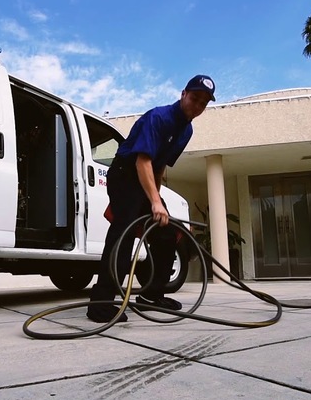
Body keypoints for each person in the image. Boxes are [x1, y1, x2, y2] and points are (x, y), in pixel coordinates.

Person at [86, 74, 215, 323]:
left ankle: (151, 296)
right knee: (123, 233)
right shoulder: (159, 117)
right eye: (195, 98)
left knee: (167, 233)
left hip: (144, 177)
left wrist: (158, 199)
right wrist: (154, 202)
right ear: (183, 94)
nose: (197, 105)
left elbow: (158, 167)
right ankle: (101, 303)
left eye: (203, 103)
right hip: (124, 174)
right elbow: (142, 160)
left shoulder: (186, 130)